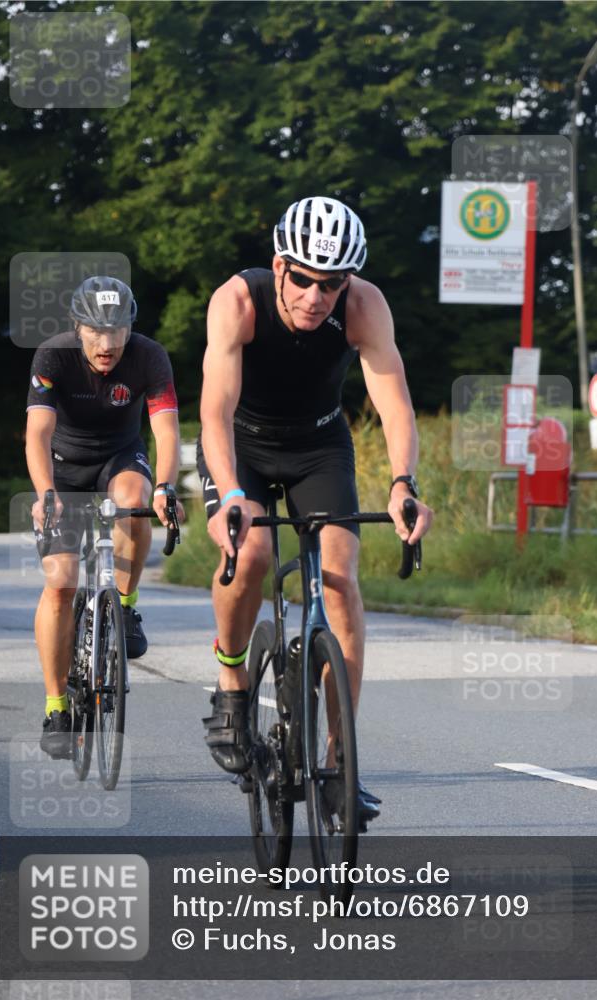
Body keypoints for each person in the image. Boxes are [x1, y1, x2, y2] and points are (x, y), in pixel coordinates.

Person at [198, 196, 434, 827]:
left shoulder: (364, 306)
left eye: (332, 283)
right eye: (302, 278)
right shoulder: (237, 302)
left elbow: (394, 403)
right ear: (279, 266)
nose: (316, 296)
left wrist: (403, 484)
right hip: (241, 443)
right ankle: (230, 686)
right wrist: (228, 495)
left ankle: (338, 766)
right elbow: (214, 412)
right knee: (251, 552)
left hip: (318, 443)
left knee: (341, 579)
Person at [26, 275, 184, 758]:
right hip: (66, 467)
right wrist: (45, 492)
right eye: (96, 331)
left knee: (135, 502)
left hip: (121, 457)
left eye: (117, 330)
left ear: (130, 328)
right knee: (60, 583)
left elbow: (166, 428)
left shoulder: (149, 356)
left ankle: (126, 605)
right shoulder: (52, 356)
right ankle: (56, 706)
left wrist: (166, 485)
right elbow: (37, 433)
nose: (108, 343)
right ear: (78, 328)